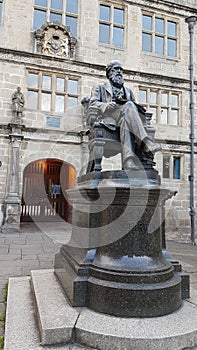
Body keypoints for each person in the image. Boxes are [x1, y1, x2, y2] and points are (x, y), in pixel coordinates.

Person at [89, 60, 161, 170]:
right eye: (116, 69)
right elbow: (93, 103)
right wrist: (106, 106)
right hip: (108, 118)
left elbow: (133, 110)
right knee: (129, 106)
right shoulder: (100, 87)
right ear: (109, 73)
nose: (119, 72)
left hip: (124, 119)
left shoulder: (128, 91)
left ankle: (129, 162)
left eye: (120, 70)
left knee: (128, 114)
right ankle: (146, 142)